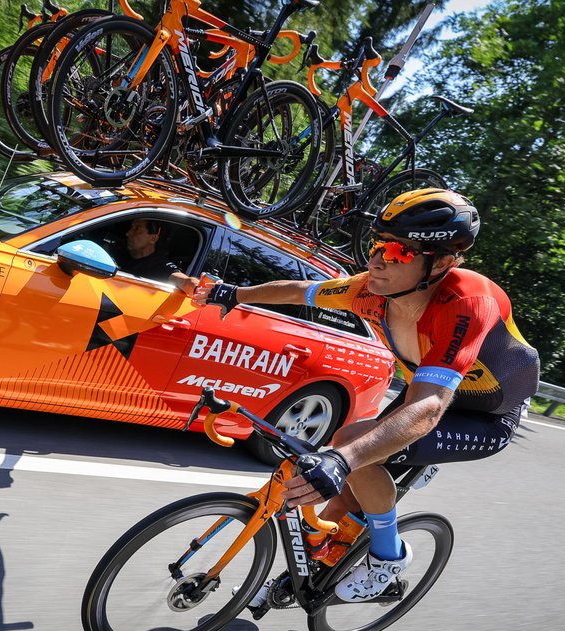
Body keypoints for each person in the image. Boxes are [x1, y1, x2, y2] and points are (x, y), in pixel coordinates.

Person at [177, 188, 540, 601]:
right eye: (378, 244)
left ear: (440, 262)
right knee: (337, 499)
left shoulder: (468, 302)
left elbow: (431, 406)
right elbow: (299, 291)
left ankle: (389, 556)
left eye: (401, 251)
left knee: (348, 445)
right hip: (426, 395)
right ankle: (317, 573)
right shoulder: (367, 291)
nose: (379, 259)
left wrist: (342, 458)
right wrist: (231, 293)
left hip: (486, 414)